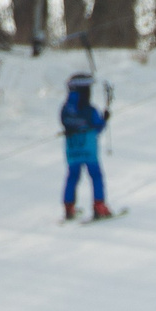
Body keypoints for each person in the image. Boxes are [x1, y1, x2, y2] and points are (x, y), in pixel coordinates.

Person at [60, 72, 111, 222]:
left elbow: (63, 121)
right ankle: (99, 206)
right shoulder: (90, 109)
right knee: (95, 175)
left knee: (72, 176)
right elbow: (98, 127)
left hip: (72, 148)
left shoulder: (65, 109)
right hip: (89, 149)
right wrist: (105, 119)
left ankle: (69, 208)